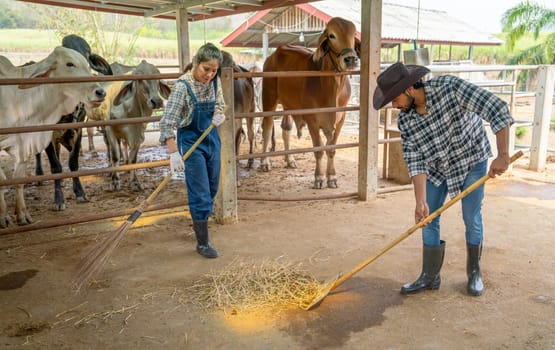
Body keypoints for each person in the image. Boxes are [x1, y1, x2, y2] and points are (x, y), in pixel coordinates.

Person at [373, 62, 514, 296]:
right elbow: (415, 161)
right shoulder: (406, 121)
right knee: (427, 218)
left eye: (394, 98)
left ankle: (474, 272)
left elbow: (497, 108)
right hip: (437, 168)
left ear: (409, 89)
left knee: (471, 217)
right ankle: (429, 276)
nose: (393, 104)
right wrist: (420, 201)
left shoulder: (450, 87)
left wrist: (503, 155)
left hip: (470, 161)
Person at [159, 43, 226, 259]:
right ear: (196, 63)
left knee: (213, 186)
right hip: (191, 142)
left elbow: (220, 104)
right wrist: (172, 152)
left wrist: (219, 114)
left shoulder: (215, 82)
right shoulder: (182, 87)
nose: (209, 74)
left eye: (214, 70)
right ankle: (203, 243)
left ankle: (201, 223)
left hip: (211, 139)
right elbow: (167, 122)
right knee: (200, 192)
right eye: (206, 69)